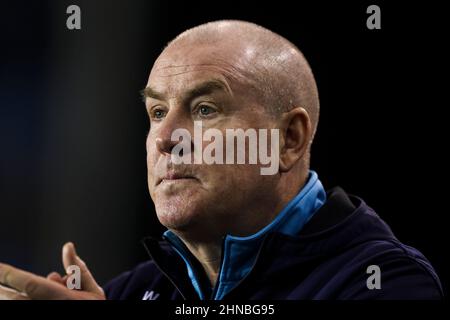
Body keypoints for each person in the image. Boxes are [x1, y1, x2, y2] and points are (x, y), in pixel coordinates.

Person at [0, 20, 443, 300]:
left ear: (288, 140)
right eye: (156, 112)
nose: (166, 138)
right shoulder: (137, 289)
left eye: (204, 110)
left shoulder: (383, 281)